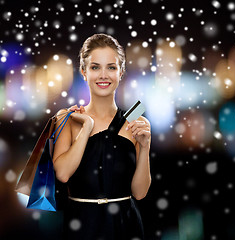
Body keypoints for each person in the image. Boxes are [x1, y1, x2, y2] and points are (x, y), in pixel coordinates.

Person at [52, 33, 151, 240]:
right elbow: (62, 173)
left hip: (125, 226)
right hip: (82, 225)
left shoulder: (135, 121)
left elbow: (140, 193)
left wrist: (145, 148)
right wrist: (87, 126)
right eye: (95, 67)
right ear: (84, 72)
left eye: (111, 67)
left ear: (121, 72)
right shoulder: (67, 118)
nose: (103, 75)